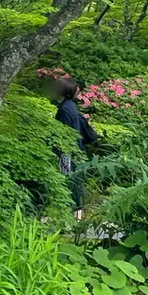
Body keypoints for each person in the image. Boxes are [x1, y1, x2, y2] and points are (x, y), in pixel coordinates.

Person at [50, 75, 99, 220]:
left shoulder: (64, 109)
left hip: (68, 153)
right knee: (74, 183)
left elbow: (64, 134)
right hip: (75, 151)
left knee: (70, 183)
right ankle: (75, 218)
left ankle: (73, 219)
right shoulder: (69, 106)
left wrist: (56, 151)